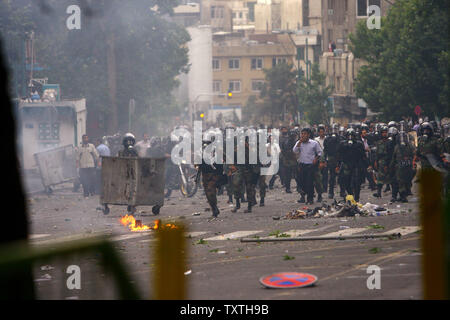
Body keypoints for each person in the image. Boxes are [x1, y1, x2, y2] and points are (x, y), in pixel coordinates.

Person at [336, 128, 367, 202]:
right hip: (346, 165)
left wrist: (366, 165)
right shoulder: (342, 144)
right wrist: (338, 165)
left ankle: (357, 197)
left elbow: (363, 156)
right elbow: (339, 155)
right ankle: (350, 194)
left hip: (356, 165)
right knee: (345, 181)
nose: (350, 138)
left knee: (357, 182)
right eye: (349, 136)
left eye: (352, 136)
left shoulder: (358, 144)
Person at [293, 128, 322, 205]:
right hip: (302, 165)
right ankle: (303, 196)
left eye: (305, 134)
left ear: (308, 135)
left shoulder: (314, 143)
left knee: (310, 182)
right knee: (301, 182)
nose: (303, 135)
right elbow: (294, 151)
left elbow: (319, 153)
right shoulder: (299, 143)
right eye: (302, 134)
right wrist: (299, 142)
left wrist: (316, 159)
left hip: (310, 165)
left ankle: (310, 199)